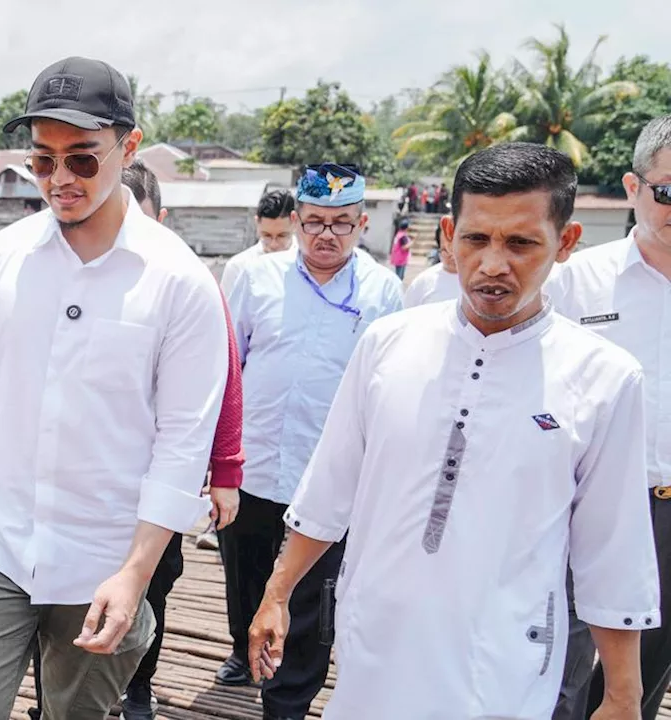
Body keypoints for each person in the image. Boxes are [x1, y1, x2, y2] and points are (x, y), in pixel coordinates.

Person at [248, 142, 659, 720]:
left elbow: (611, 548)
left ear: (565, 243)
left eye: (521, 243)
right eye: (476, 239)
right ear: (448, 234)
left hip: (505, 662)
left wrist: (622, 694)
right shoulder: (389, 344)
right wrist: (277, 593)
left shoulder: (604, 378)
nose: (494, 263)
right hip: (376, 647)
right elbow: (329, 487)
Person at [0, 57, 231, 720]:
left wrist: (135, 574)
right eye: (43, 161)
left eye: (82, 159)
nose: (60, 180)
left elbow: (182, 444)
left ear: (129, 147)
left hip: (104, 556)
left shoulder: (181, 284)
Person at [217, 163, 404, 715]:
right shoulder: (255, 278)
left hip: (328, 479)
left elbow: (387, 389)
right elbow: (229, 368)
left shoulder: (383, 291)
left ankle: (288, 701)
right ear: (296, 220)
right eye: (316, 221)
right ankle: (240, 645)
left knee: (310, 595)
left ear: (362, 224)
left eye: (341, 223)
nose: (327, 234)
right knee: (244, 573)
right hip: (254, 464)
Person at [551, 115, 671, 720]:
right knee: (562, 656)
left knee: (645, 672)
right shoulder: (579, 283)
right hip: (585, 498)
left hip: (670, 505)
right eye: (669, 190)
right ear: (632, 187)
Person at [118, 158, 245, 720]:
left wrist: (226, 473)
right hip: (90, 475)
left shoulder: (190, 282)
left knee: (153, 585)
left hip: (163, 474)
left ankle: (137, 688)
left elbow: (227, 378)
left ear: (161, 219)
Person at [219, 190, 297, 308]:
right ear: (257, 223)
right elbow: (226, 318)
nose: (274, 244)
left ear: (295, 222)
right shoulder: (238, 267)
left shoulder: (309, 263)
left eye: (282, 236)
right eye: (267, 235)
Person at [403, 242, 461, 307]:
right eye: (446, 250)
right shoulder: (424, 280)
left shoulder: (473, 280)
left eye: (456, 250)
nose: (452, 256)